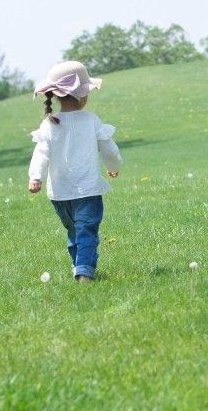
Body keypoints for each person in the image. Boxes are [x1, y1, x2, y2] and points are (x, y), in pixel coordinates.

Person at [28, 61, 122, 283]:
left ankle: (79, 265)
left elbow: (40, 153)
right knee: (86, 231)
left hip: (60, 193)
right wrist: (113, 167)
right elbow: (109, 149)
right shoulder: (90, 120)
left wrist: (35, 177)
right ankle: (84, 272)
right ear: (82, 96)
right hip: (87, 190)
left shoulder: (50, 123)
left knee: (74, 231)